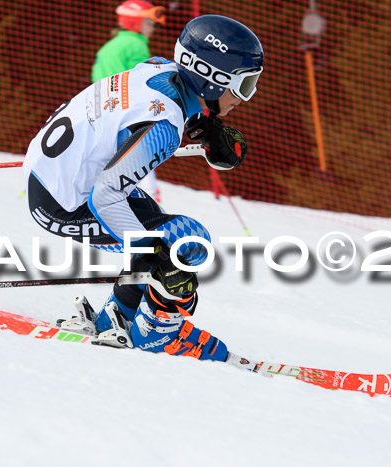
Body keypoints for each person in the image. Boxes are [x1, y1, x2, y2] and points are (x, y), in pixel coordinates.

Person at [23, 15, 264, 362]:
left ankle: (117, 317)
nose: (246, 98)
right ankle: (157, 334)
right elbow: (106, 197)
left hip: (59, 175)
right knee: (189, 244)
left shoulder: (158, 68)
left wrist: (206, 126)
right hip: (65, 202)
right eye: (244, 85)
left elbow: (131, 114)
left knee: (163, 231)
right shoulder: (163, 128)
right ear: (213, 80)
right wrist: (153, 256)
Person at [91, 0, 167, 202]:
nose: (152, 28)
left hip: (103, 108)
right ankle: (152, 199)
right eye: (149, 23)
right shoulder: (136, 45)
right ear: (136, 23)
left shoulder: (112, 44)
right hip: (122, 110)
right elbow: (140, 81)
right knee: (139, 152)